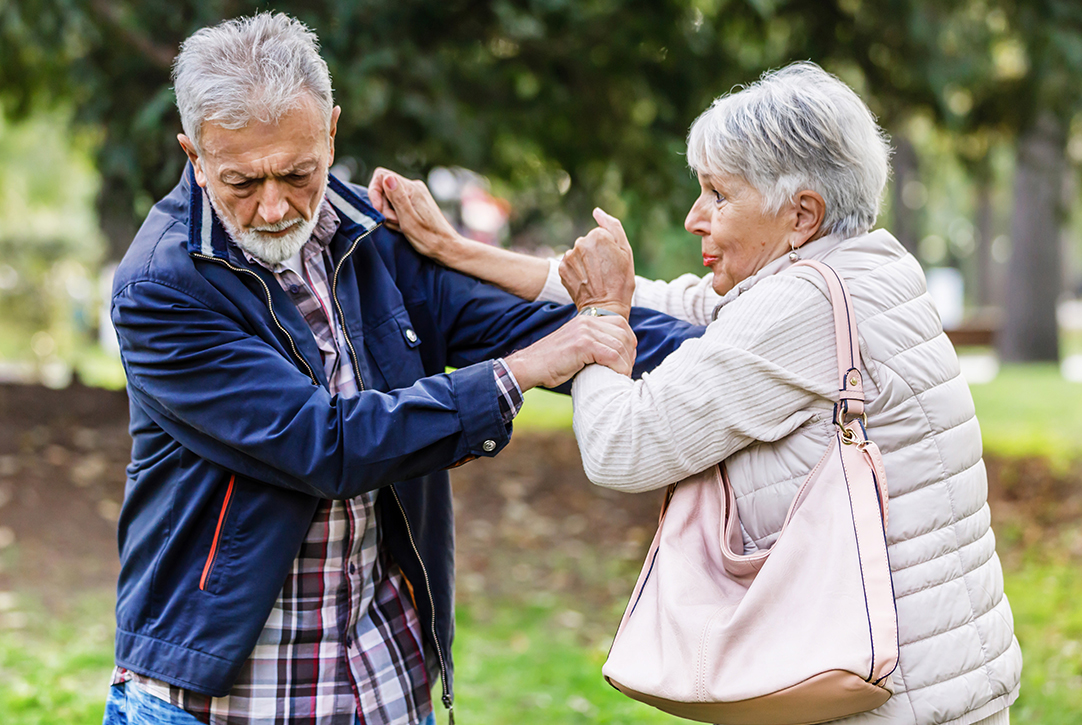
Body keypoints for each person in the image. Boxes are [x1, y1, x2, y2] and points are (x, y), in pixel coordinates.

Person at [370, 62, 1021, 725]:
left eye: (717, 195)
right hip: (950, 672)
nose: (693, 218)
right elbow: (669, 301)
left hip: (887, 695)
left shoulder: (799, 306)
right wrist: (457, 249)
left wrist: (599, 319)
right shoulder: (866, 264)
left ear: (801, 212)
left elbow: (622, 449)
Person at [103, 12, 702, 725]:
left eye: (297, 174)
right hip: (224, 700)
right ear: (194, 153)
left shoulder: (373, 239)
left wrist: (750, 349)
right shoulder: (163, 285)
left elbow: (538, 323)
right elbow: (325, 444)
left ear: (331, 132)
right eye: (241, 181)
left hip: (380, 682)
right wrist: (521, 373)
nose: (272, 206)